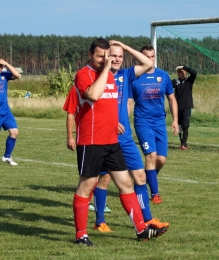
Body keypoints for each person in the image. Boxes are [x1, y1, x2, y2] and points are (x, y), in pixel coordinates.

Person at [71, 38, 166, 246]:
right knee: (86, 187)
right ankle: (81, 235)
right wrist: (106, 70)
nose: (105, 60)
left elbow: (112, 106)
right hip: (92, 141)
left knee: (126, 183)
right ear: (90, 55)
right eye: (100, 56)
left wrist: (123, 49)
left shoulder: (117, 76)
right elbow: (94, 96)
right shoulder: (83, 74)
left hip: (112, 142)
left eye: (108, 56)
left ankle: (141, 229)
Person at [93, 42, 170, 233]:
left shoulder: (126, 75)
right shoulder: (100, 77)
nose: (117, 59)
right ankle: (99, 221)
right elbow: (93, 105)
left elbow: (147, 64)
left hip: (125, 138)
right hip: (106, 137)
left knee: (140, 176)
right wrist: (110, 122)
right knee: (104, 180)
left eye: (120, 56)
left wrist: (126, 47)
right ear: (106, 57)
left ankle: (148, 220)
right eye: (113, 55)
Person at [128, 44, 178, 204]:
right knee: (151, 156)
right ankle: (155, 194)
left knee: (161, 159)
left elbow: (171, 99)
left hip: (159, 123)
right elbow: (129, 103)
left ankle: (143, 179)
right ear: (140, 58)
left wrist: (175, 120)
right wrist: (124, 121)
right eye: (147, 57)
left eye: (152, 57)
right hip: (142, 122)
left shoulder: (163, 76)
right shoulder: (134, 78)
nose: (150, 60)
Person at [63, 85, 111, 213]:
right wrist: (70, 137)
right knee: (90, 177)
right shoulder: (76, 89)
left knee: (105, 175)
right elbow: (70, 114)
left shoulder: (105, 88)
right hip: (87, 140)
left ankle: (100, 206)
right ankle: (86, 203)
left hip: (106, 138)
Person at [0, 58, 21, 166]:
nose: (1, 68)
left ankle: (6, 157)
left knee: (14, 132)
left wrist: (7, 63)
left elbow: (17, 75)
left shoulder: (5, 76)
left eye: (1, 66)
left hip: (5, 110)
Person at [172, 65, 197, 150]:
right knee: (179, 126)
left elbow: (194, 73)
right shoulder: (175, 81)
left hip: (187, 106)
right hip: (177, 107)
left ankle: (184, 144)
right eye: (178, 71)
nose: (180, 73)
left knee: (185, 125)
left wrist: (185, 67)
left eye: (182, 71)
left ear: (185, 71)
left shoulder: (189, 80)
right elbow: (166, 86)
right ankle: (182, 143)